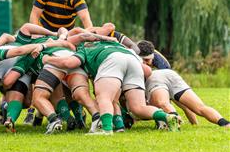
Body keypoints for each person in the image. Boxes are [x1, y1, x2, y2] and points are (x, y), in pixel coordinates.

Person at [43, 40, 182, 134]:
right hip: (133, 62)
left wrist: (48, 59)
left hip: (112, 60)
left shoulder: (84, 48)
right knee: (138, 108)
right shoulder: (117, 45)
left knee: (103, 97)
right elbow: (147, 71)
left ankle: (106, 129)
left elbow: (69, 63)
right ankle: (167, 117)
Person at [145, 69, 230, 128]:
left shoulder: (139, 61)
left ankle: (174, 124)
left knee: (163, 104)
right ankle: (225, 124)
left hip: (154, 79)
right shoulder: (159, 59)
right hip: (170, 74)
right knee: (199, 107)